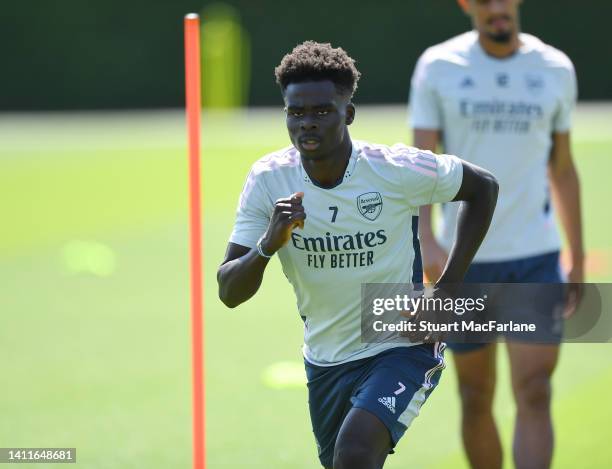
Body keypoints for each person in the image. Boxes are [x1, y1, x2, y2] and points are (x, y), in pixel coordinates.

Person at [218, 40, 498, 469]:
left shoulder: (394, 169)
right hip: (325, 359)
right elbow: (229, 291)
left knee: (355, 452)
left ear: (347, 114)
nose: (307, 124)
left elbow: (483, 187)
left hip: (401, 342)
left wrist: (446, 289)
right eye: (296, 113)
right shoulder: (268, 180)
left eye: (322, 112)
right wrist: (267, 245)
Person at [409, 1, 584, 468]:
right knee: (474, 392)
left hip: (536, 257)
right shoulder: (438, 65)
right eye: (483, 1)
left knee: (536, 389)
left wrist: (578, 257)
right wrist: (426, 238)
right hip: (465, 262)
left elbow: (563, 168)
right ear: (467, 5)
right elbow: (420, 164)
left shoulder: (554, 67)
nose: (496, 9)